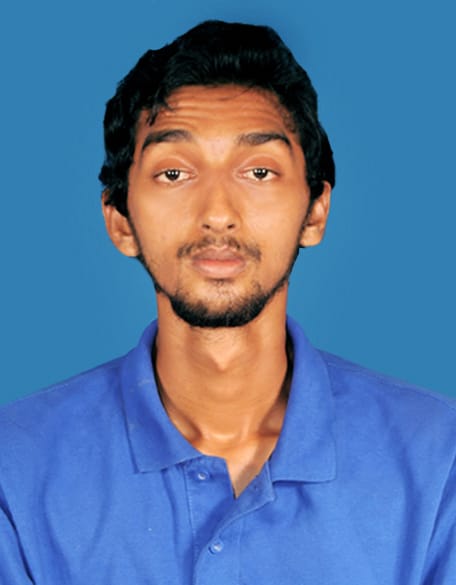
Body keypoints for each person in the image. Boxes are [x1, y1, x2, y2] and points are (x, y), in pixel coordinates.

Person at [0, 19, 454, 585]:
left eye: (259, 171)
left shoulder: (439, 460)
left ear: (315, 211)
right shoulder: (14, 467)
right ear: (121, 221)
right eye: (174, 173)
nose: (217, 213)